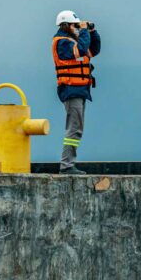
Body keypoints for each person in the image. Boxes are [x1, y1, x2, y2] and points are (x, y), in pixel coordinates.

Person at [52, 10, 101, 174]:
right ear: (65, 25)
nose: (77, 28)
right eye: (75, 25)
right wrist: (85, 31)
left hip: (80, 89)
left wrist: (92, 31)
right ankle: (66, 166)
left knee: (77, 128)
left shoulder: (74, 41)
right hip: (71, 89)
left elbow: (94, 49)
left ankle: (68, 164)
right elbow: (80, 51)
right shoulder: (62, 42)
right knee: (73, 129)